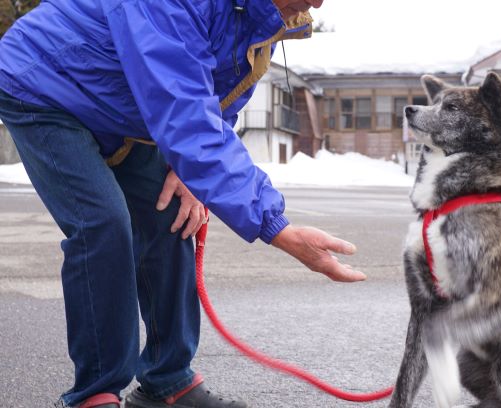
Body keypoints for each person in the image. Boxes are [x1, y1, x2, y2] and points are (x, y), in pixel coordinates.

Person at [0, 1, 366, 407]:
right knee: (102, 222)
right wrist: (277, 227)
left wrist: (189, 171)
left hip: (123, 104)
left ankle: (168, 381)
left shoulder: (265, 17)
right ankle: (96, 393)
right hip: (44, 83)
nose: (316, 3)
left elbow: (216, 96)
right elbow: (184, 112)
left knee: (173, 212)